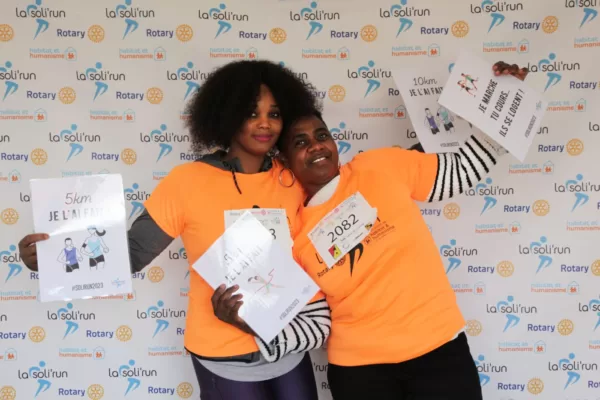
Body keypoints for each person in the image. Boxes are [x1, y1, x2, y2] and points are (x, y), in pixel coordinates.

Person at [18, 60, 329, 400]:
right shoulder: (186, 182)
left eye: (274, 114)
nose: (265, 123)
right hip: (223, 352)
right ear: (227, 115)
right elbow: (133, 253)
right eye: (251, 113)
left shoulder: (292, 178)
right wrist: (52, 261)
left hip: (287, 341)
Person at [271, 62, 528, 399]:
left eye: (322, 135)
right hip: (360, 373)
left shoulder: (379, 167)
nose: (316, 146)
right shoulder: (292, 231)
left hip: (439, 351)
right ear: (284, 159)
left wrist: (506, 100)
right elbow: (312, 319)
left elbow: (460, 171)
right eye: (300, 142)